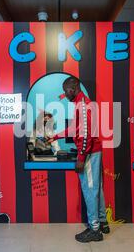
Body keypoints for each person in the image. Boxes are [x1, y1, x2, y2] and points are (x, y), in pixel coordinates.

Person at [47, 76, 109, 242]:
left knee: (90, 190)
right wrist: (56, 137)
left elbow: (86, 134)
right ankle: (103, 222)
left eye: (65, 90)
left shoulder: (82, 105)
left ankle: (94, 229)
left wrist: (81, 158)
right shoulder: (82, 103)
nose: (64, 94)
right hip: (93, 151)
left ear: (73, 87)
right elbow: (75, 128)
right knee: (96, 188)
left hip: (89, 153)